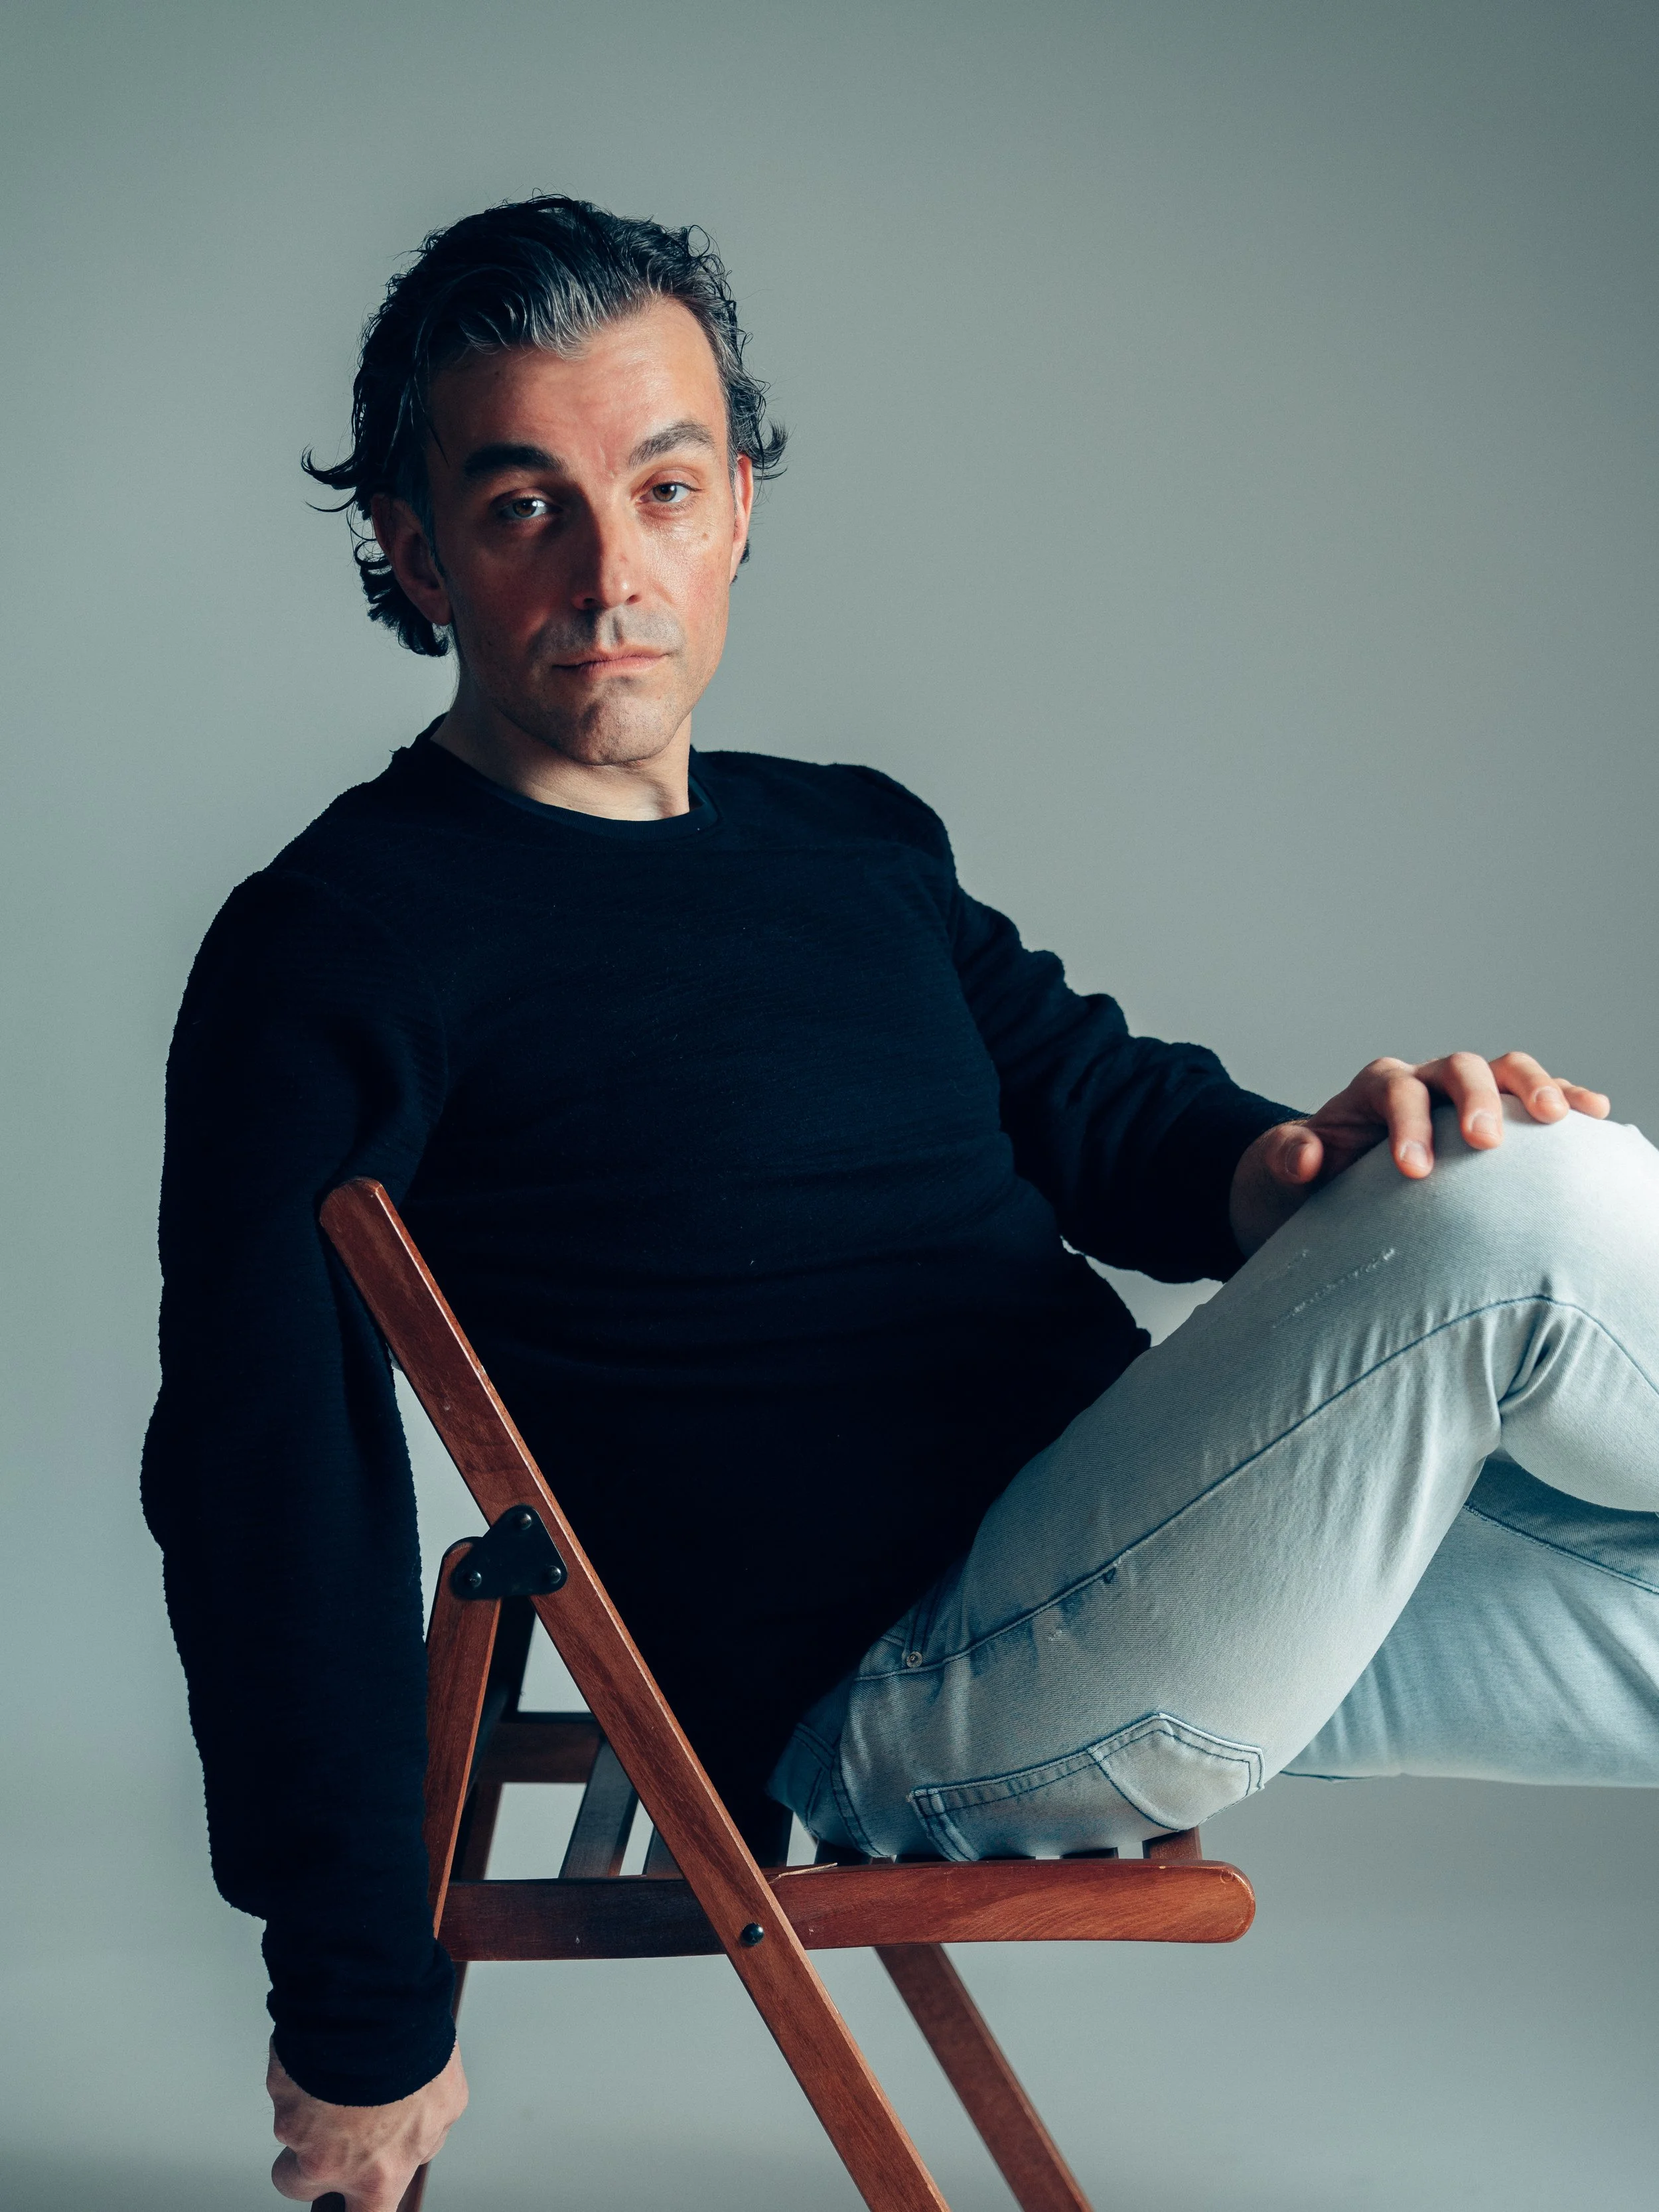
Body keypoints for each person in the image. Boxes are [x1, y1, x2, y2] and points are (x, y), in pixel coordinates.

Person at [143, 195, 1659, 2211]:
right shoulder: (337, 942)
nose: (613, 573)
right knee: (1531, 1202)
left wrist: (1312, 1155)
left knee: (1475, 1163)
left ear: (739, 504)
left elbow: (1096, 1108)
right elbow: (270, 1487)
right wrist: (358, 2005)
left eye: (663, 486)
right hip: (919, 1695)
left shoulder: (850, 838)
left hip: (1150, 1552)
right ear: (413, 552)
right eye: (525, 508)